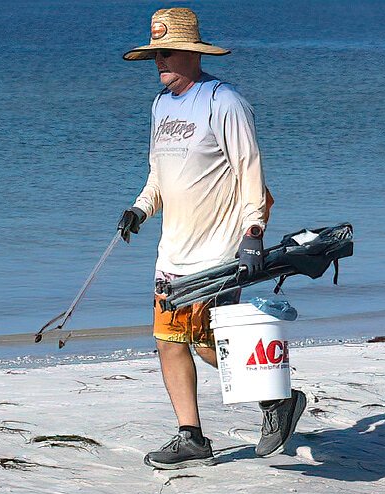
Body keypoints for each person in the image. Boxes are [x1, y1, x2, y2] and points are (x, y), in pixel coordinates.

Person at [116, 7, 307, 469]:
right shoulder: (161, 106)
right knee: (169, 341)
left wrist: (254, 231)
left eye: (167, 53)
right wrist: (140, 209)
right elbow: (158, 175)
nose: (159, 61)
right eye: (155, 54)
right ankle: (192, 438)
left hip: (218, 250)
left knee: (207, 342)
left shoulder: (224, 101)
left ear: (191, 54)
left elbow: (250, 172)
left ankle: (277, 400)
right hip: (173, 251)